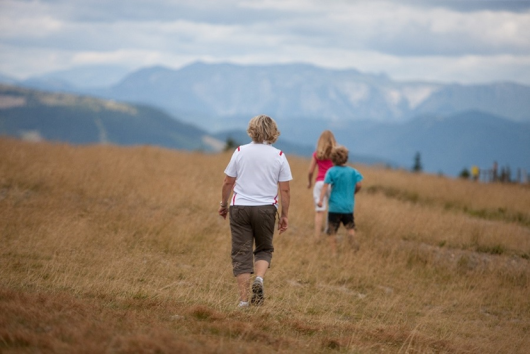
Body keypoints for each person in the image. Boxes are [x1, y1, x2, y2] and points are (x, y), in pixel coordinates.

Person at [218, 115, 292, 308]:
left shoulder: (240, 151)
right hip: (266, 209)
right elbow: (285, 189)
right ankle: (259, 278)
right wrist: (284, 215)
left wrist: (223, 204)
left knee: (241, 251)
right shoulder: (279, 155)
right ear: (273, 131)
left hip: (240, 207)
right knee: (264, 249)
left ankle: (243, 300)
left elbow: (228, 181)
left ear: (252, 130)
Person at [318, 146, 363, 256]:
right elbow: (359, 184)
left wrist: (320, 200)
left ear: (332, 158)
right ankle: (353, 242)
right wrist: (354, 192)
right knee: (350, 227)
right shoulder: (353, 171)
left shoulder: (331, 171)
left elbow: (325, 186)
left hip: (335, 206)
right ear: (346, 158)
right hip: (348, 206)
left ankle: (334, 253)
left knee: (332, 231)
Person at [307, 130, 336, 238]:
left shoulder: (316, 155)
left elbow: (310, 171)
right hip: (332, 184)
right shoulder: (335, 155)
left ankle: (317, 236)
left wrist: (309, 182)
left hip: (319, 183)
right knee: (332, 210)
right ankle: (330, 234)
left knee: (319, 211)